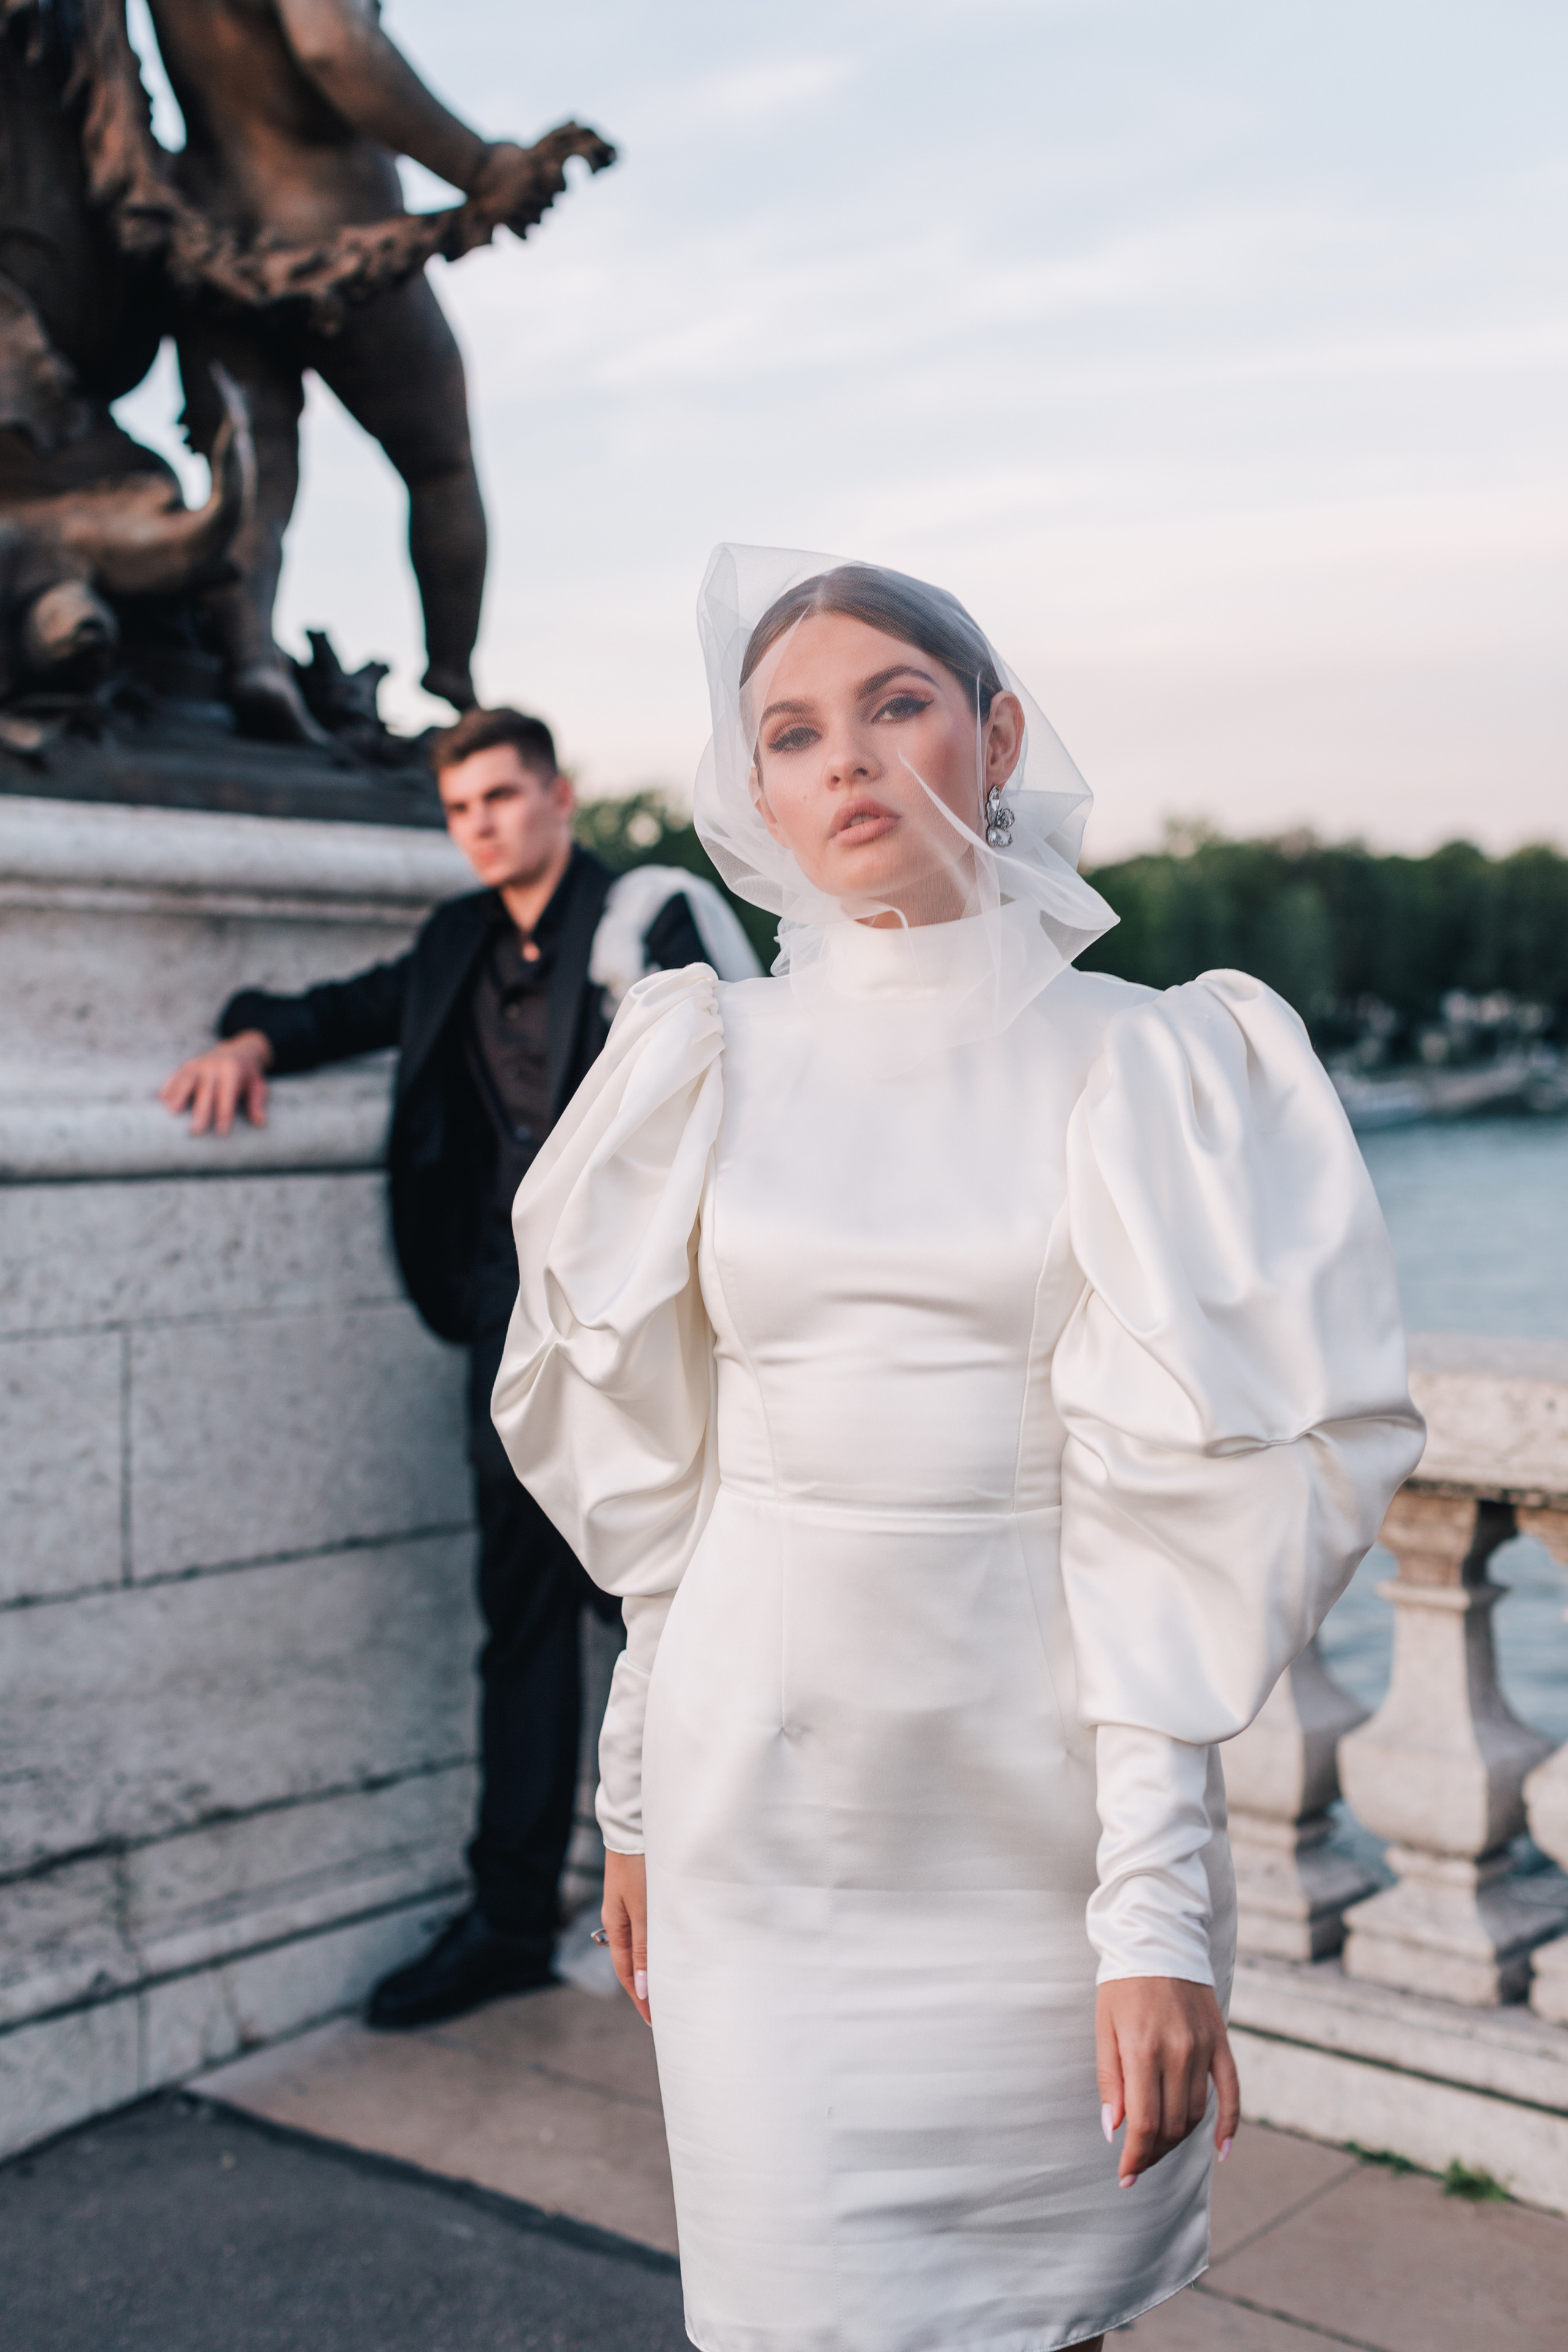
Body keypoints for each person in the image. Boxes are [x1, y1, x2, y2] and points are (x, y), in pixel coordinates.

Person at [489, 551, 1426, 2352]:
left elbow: (1160, 1513)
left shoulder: (1143, 1062)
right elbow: (676, 1493)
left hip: (1030, 1815)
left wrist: (1151, 1914)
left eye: (894, 702)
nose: (845, 757)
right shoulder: (698, 1054)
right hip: (748, 1811)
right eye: (791, 730)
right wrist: (629, 1804)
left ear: (994, 735)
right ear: (748, 789)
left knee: (1038, 2308)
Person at [159, 703, 760, 2029]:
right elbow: (347, 1010)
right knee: (523, 1620)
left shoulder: (645, 921)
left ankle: (740, 1893)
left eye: (501, 795)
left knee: (684, 1617)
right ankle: (504, 1917)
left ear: (557, 793)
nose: (482, 823)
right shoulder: (453, 940)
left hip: (643, 1332)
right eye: (460, 808)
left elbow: (746, 1071)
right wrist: (254, 1036)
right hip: (504, 1333)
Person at [143, 0, 564, 742]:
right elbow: (333, 44)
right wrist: (476, 165)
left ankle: (253, 658)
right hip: (336, 230)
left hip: (213, 240)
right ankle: (455, 682)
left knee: (254, 473)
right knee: (439, 463)